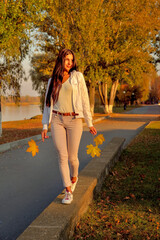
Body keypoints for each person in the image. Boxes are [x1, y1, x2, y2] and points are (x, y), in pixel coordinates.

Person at [41, 49, 97, 204]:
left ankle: (74, 176)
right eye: (66, 59)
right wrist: (45, 126)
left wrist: (89, 122)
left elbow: (85, 101)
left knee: (72, 157)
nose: (69, 63)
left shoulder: (77, 77)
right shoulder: (52, 80)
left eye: (71, 60)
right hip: (57, 120)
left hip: (74, 120)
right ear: (61, 60)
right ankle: (67, 190)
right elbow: (47, 105)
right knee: (62, 155)